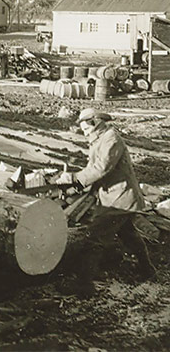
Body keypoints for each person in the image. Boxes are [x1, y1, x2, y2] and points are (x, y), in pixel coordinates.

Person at [56, 108, 156, 297]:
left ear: (96, 123)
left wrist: (74, 177)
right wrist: (77, 186)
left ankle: (84, 284)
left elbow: (101, 168)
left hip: (119, 199)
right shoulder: (99, 140)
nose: (85, 134)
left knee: (93, 238)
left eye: (86, 130)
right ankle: (147, 270)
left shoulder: (111, 139)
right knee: (129, 235)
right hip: (116, 196)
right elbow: (93, 169)